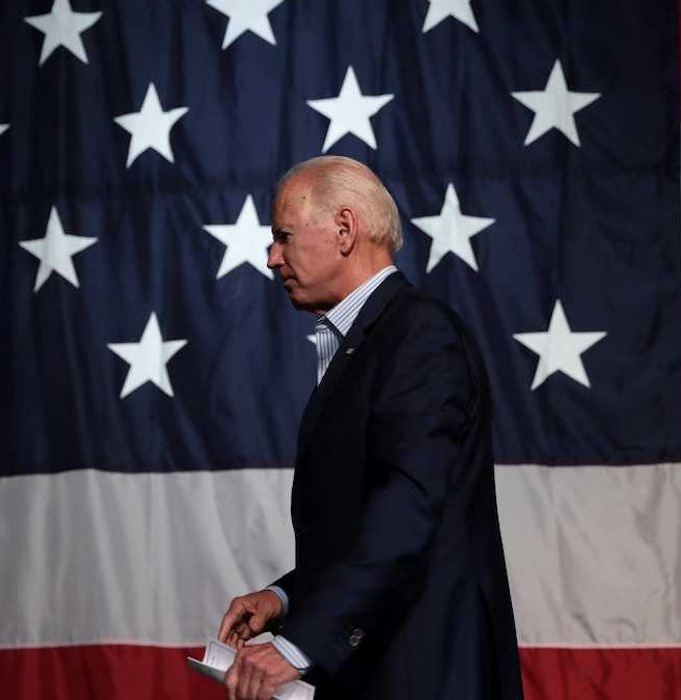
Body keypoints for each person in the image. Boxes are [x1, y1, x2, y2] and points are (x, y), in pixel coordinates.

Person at [217, 156, 522, 700]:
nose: (270, 258)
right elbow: (362, 525)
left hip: (424, 674)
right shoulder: (371, 340)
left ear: (344, 229)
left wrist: (298, 644)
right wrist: (285, 600)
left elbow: (408, 507)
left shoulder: (417, 336)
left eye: (283, 236)